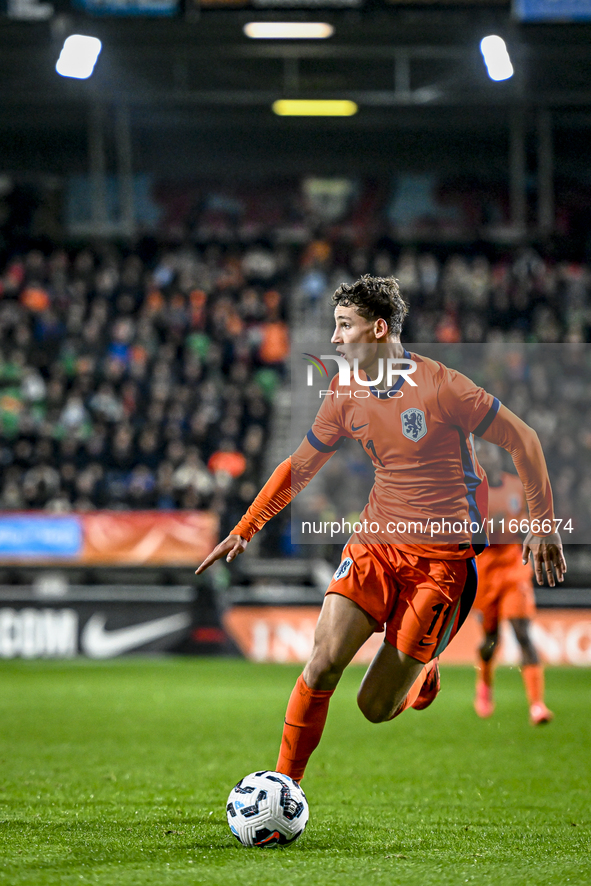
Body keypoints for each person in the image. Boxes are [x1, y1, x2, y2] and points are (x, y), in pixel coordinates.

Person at [196, 275, 566, 782]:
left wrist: (542, 523)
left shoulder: (443, 386)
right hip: (375, 544)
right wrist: (246, 527)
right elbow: (298, 466)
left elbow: (523, 439)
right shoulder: (344, 392)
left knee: (376, 706)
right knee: (323, 662)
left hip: (442, 564)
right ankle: (282, 786)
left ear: (378, 329)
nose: (333, 339)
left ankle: (425, 672)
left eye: (343, 326)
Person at [472, 441, 554, 725]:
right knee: (490, 641)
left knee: (522, 633)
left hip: (513, 566)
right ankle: (484, 683)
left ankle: (537, 705)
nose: (487, 463)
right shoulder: (471, 492)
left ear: (498, 460)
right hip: (485, 570)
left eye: (490, 457)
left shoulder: (516, 485)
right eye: (481, 459)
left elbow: (529, 519)